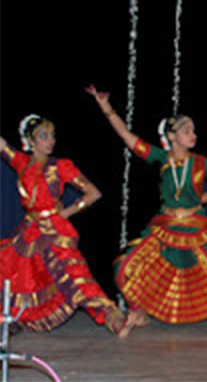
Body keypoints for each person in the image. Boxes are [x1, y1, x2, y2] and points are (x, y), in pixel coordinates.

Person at [85, 86, 207, 327]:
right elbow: (127, 137)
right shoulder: (161, 158)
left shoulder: (201, 163)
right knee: (123, 266)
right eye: (186, 130)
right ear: (172, 136)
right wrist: (106, 107)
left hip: (196, 228)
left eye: (193, 130)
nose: (192, 134)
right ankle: (138, 311)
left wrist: (204, 198)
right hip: (165, 226)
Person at [0, 115, 135, 337]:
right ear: (30, 141)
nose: (50, 141)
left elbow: (93, 193)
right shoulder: (21, 163)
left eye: (52, 136)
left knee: (76, 276)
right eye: (44, 136)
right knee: (20, 274)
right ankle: (19, 318)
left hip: (55, 231)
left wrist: (64, 213)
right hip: (30, 230)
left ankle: (113, 318)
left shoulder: (60, 166)